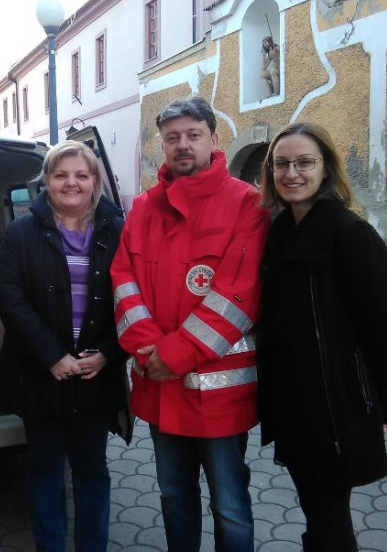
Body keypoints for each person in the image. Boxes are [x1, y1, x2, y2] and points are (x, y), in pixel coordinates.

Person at [111, 95, 270, 552]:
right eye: (172, 138)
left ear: (214, 140)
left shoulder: (246, 204)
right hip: (160, 387)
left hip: (218, 393)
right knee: (174, 495)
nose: (183, 145)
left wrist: (173, 354)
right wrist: (148, 351)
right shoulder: (143, 207)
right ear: (162, 145)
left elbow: (240, 293)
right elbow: (124, 281)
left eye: (193, 135)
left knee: (230, 506)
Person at [256, 122, 387, 551]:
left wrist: (381, 397)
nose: (292, 173)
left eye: (305, 162)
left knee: (329, 516)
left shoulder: (350, 235)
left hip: (336, 402)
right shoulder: (280, 233)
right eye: (281, 164)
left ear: (325, 169)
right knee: (318, 512)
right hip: (293, 400)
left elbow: (383, 330)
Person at [0, 140, 129, 552]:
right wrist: (52, 356)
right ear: (46, 181)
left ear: (95, 181)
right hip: (40, 374)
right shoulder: (20, 233)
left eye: (81, 175)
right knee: (45, 468)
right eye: (60, 174)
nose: (71, 182)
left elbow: (135, 298)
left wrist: (109, 352)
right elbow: (10, 298)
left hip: (95, 373)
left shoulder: (117, 231)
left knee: (91, 469)